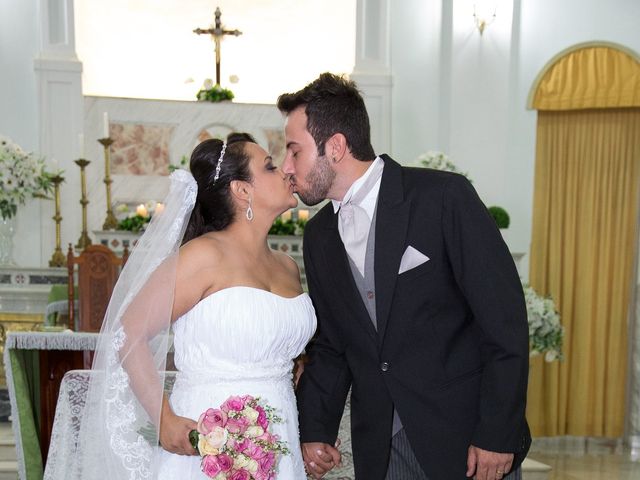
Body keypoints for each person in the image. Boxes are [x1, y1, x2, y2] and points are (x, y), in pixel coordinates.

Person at [277, 74, 531, 480]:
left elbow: (504, 322)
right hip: (380, 448)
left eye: (294, 151)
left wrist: (498, 432)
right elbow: (332, 346)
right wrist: (315, 430)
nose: (288, 168)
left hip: (466, 442)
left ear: (336, 147)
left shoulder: (443, 198)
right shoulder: (319, 235)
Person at [51, 133, 316, 479]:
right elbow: (129, 332)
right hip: (209, 438)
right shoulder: (203, 256)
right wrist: (164, 421)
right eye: (268, 167)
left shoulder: (288, 266)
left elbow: (292, 357)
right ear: (242, 190)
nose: (285, 171)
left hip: (278, 437)